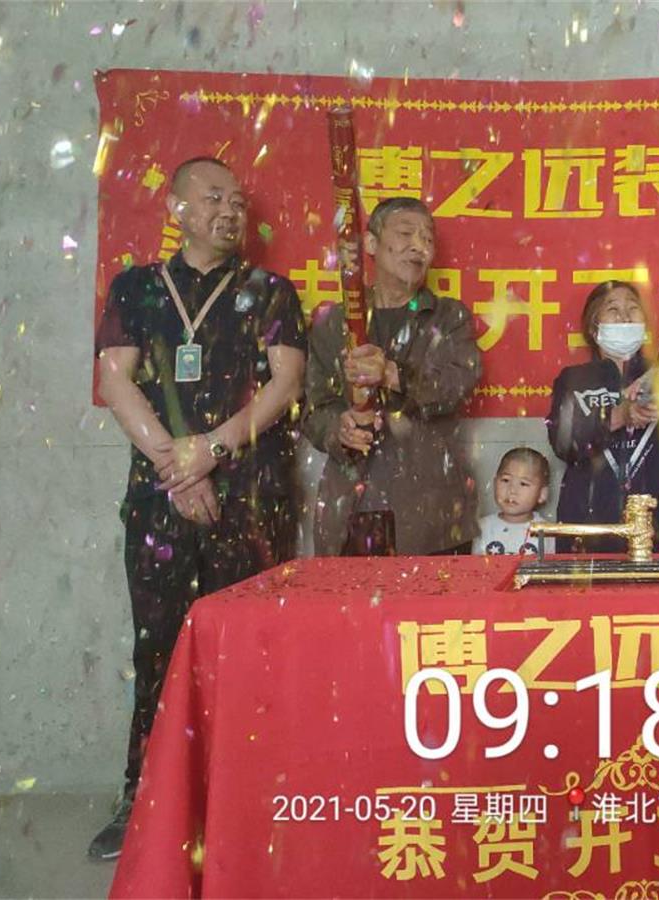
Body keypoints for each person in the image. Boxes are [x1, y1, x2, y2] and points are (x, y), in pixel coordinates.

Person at [90, 157, 306, 859]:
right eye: (214, 198)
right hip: (159, 502)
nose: (230, 211)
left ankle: (247, 799)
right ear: (177, 207)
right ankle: (144, 798)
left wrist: (211, 451)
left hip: (250, 500)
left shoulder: (269, 291)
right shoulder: (136, 287)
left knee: (247, 647)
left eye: (237, 202)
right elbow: (115, 381)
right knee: (158, 645)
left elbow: (285, 384)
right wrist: (175, 467)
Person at [304, 196, 481, 555]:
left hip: (431, 512)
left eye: (427, 238)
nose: (419, 246)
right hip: (350, 508)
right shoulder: (335, 323)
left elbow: (457, 386)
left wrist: (393, 374)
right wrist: (339, 429)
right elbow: (314, 410)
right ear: (370, 243)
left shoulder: (448, 318)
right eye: (405, 233)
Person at [546, 280, 659, 553]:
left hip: (653, 522)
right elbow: (563, 442)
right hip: (587, 523)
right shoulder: (574, 379)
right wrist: (620, 416)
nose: (625, 316)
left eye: (633, 308)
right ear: (594, 328)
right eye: (612, 309)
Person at [472, 447, 555, 555]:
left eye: (523, 484)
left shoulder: (547, 532)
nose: (512, 490)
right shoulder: (481, 528)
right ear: (494, 483)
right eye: (505, 480)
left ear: (542, 493)